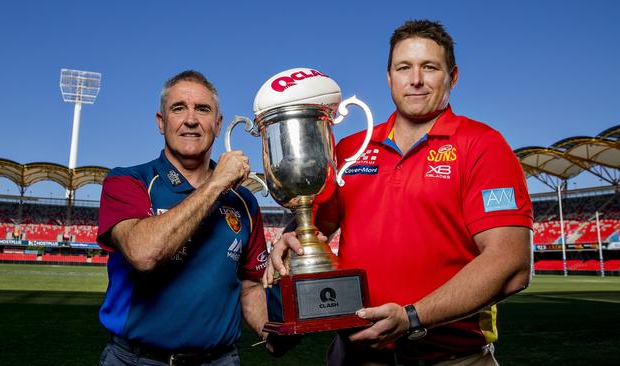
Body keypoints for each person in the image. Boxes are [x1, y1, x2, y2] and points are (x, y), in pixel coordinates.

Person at [264, 19, 533, 365]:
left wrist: (412, 318)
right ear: (389, 77)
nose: (416, 79)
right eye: (404, 67)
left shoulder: (482, 145)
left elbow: (510, 264)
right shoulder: (350, 149)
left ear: (453, 76)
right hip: (354, 357)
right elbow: (310, 226)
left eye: (430, 67)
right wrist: (290, 239)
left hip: (450, 357)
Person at [96, 70, 271, 366]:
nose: (191, 119)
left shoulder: (245, 202)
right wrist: (215, 184)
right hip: (138, 360)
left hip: (219, 360)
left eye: (202, 109)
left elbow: (250, 285)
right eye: (179, 108)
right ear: (161, 122)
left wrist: (273, 333)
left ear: (217, 125)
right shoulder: (128, 182)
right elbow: (143, 253)